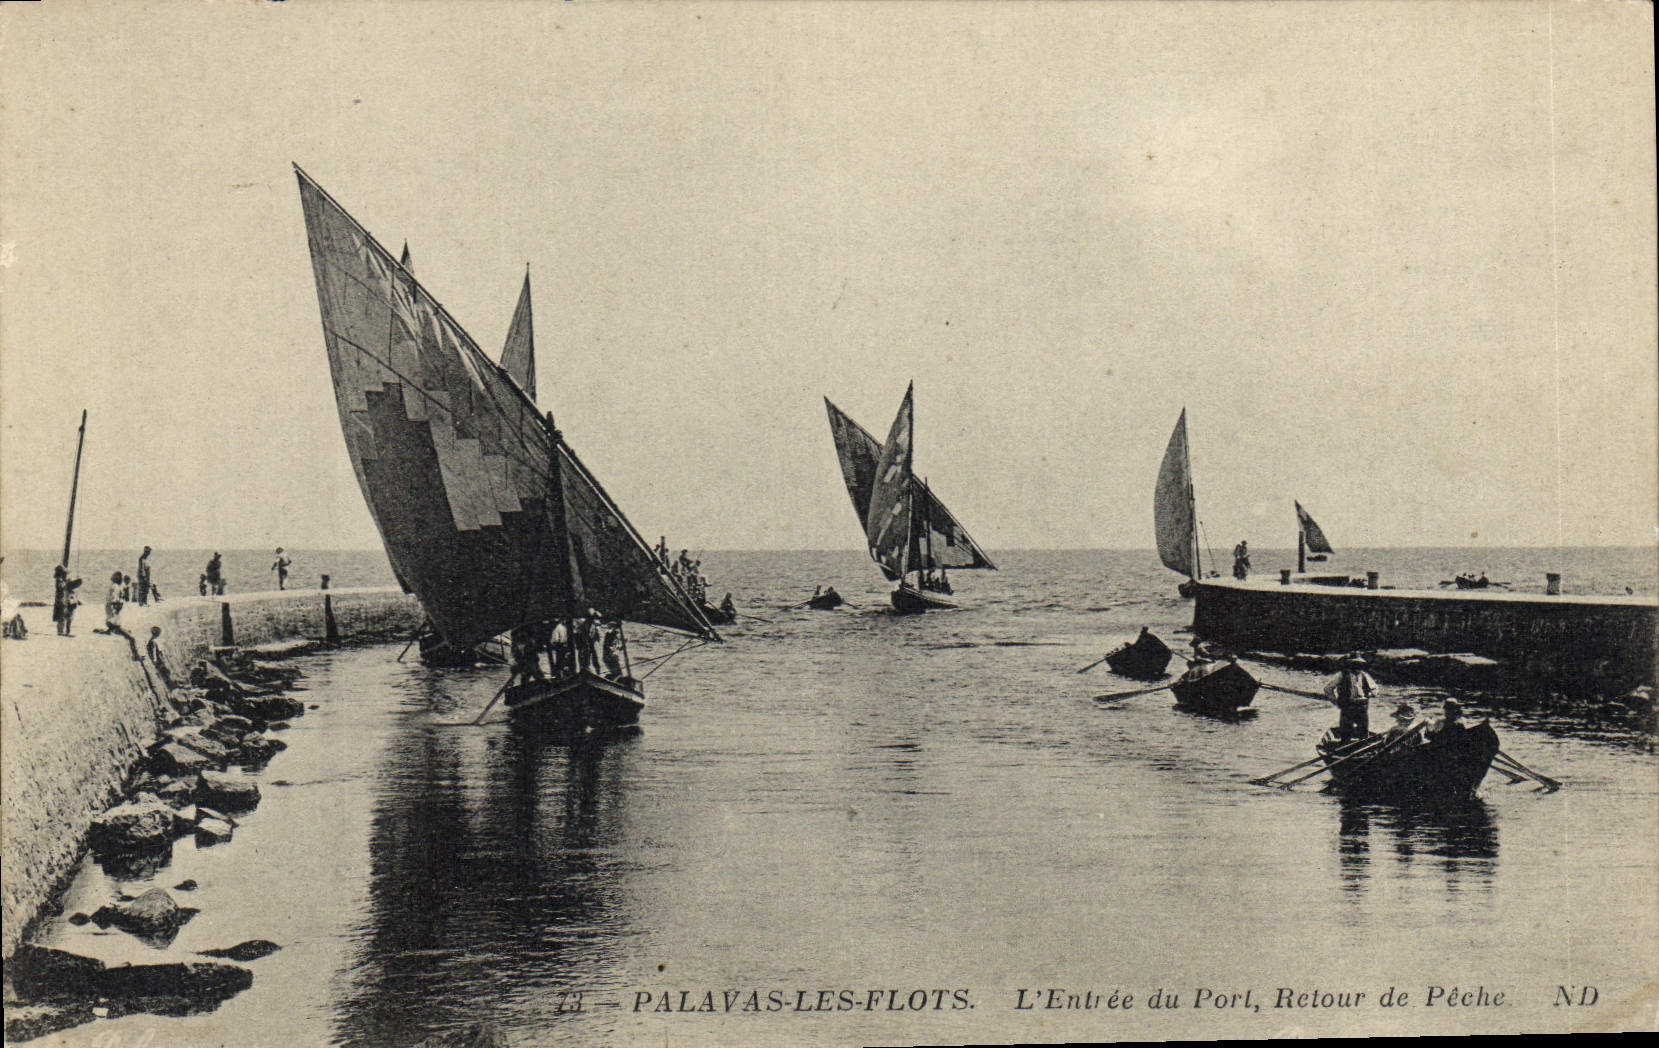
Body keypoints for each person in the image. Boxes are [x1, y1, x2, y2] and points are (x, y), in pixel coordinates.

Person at [1322, 655, 1378, 743]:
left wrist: (1370, 694)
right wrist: (1335, 701)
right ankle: (1345, 748)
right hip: (1347, 706)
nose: (1357, 667)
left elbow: (1375, 688)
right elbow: (1328, 688)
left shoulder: (1364, 675)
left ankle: (1362, 749)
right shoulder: (1341, 675)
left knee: (1363, 732)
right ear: (1350, 664)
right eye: (1355, 664)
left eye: (1359, 664)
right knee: (1345, 732)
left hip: (1362, 706)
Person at [97, 571, 126, 635]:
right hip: (114, 603)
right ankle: (114, 628)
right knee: (114, 616)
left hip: (111, 603)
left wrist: (114, 602)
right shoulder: (118, 586)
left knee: (111, 617)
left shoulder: (114, 586)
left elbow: (114, 595)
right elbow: (116, 596)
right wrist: (117, 602)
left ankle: (112, 629)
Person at [146, 625, 175, 689]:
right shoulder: (152, 642)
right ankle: (170, 686)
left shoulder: (151, 641)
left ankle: (169, 685)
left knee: (165, 672)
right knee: (165, 672)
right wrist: (155, 661)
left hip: (157, 661)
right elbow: (153, 653)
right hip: (157, 661)